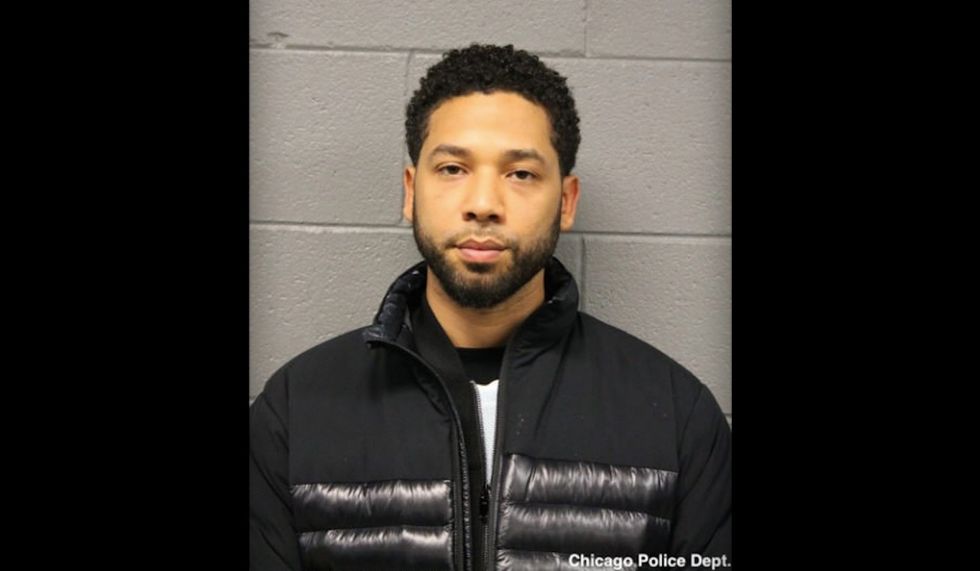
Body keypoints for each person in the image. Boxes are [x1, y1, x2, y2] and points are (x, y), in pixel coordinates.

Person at [250, 43, 731, 571]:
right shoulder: (293, 412)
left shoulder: (678, 418)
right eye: (452, 168)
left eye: (520, 174)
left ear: (566, 201)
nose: (483, 204)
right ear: (411, 192)